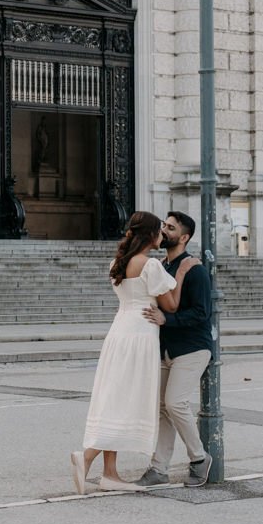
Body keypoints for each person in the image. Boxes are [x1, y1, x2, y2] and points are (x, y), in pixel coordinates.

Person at [71, 211, 198, 494]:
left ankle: (110, 474)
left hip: (119, 332)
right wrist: (182, 271)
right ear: (150, 236)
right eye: (159, 231)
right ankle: (87, 456)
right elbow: (172, 306)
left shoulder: (118, 262)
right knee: (124, 401)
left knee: (115, 396)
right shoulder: (151, 266)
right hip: (140, 334)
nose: (162, 235)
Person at [140, 211, 215, 488]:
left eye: (170, 228)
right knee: (161, 408)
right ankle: (158, 468)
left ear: (184, 237)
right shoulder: (161, 267)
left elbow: (202, 313)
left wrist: (167, 319)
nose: (164, 230)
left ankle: (199, 458)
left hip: (193, 347)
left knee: (175, 403)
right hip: (166, 348)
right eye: (163, 226)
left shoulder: (195, 269)